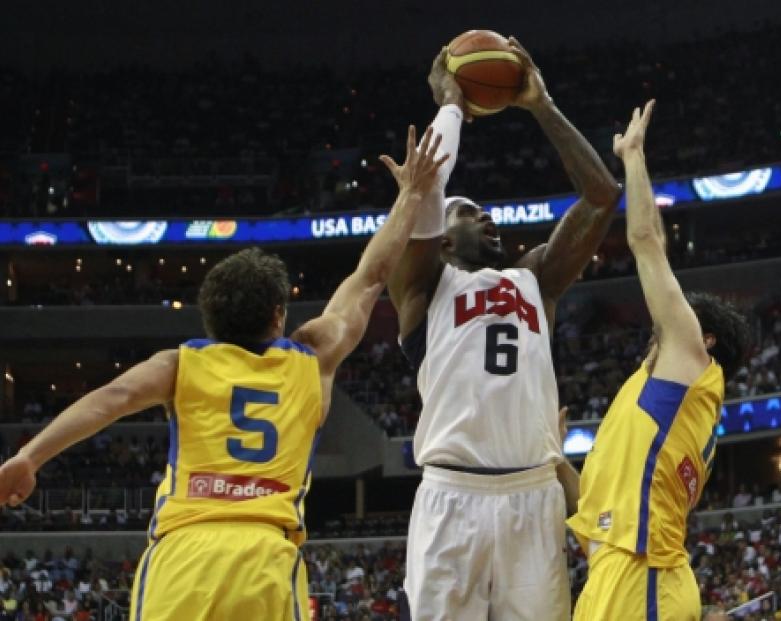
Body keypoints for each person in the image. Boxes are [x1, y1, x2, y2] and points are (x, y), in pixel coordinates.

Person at [0, 125, 449, 621]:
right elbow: (369, 278)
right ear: (279, 315)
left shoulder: (181, 364)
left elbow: (112, 397)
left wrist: (29, 456)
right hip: (265, 555)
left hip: (183, 555)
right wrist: (411, 195)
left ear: (209, 319)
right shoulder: (311, 357)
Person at [390, 40, 621, 620]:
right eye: (469, 211)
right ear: (440, 237)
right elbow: (427, 193)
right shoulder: (421, 285)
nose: (486, 215)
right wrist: (449, 102)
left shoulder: (534, 278)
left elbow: (601, 197)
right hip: (452, 494)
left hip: (532, 493)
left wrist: (542, 106)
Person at [563, 100, 751, 620]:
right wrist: (558, 464)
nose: (659, 323)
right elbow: (597, 510)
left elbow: (646, 240)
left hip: (644, 577)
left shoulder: (691, 363)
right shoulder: (649, 405)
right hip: (614, 577)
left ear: (705, 339)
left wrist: (633, 157)